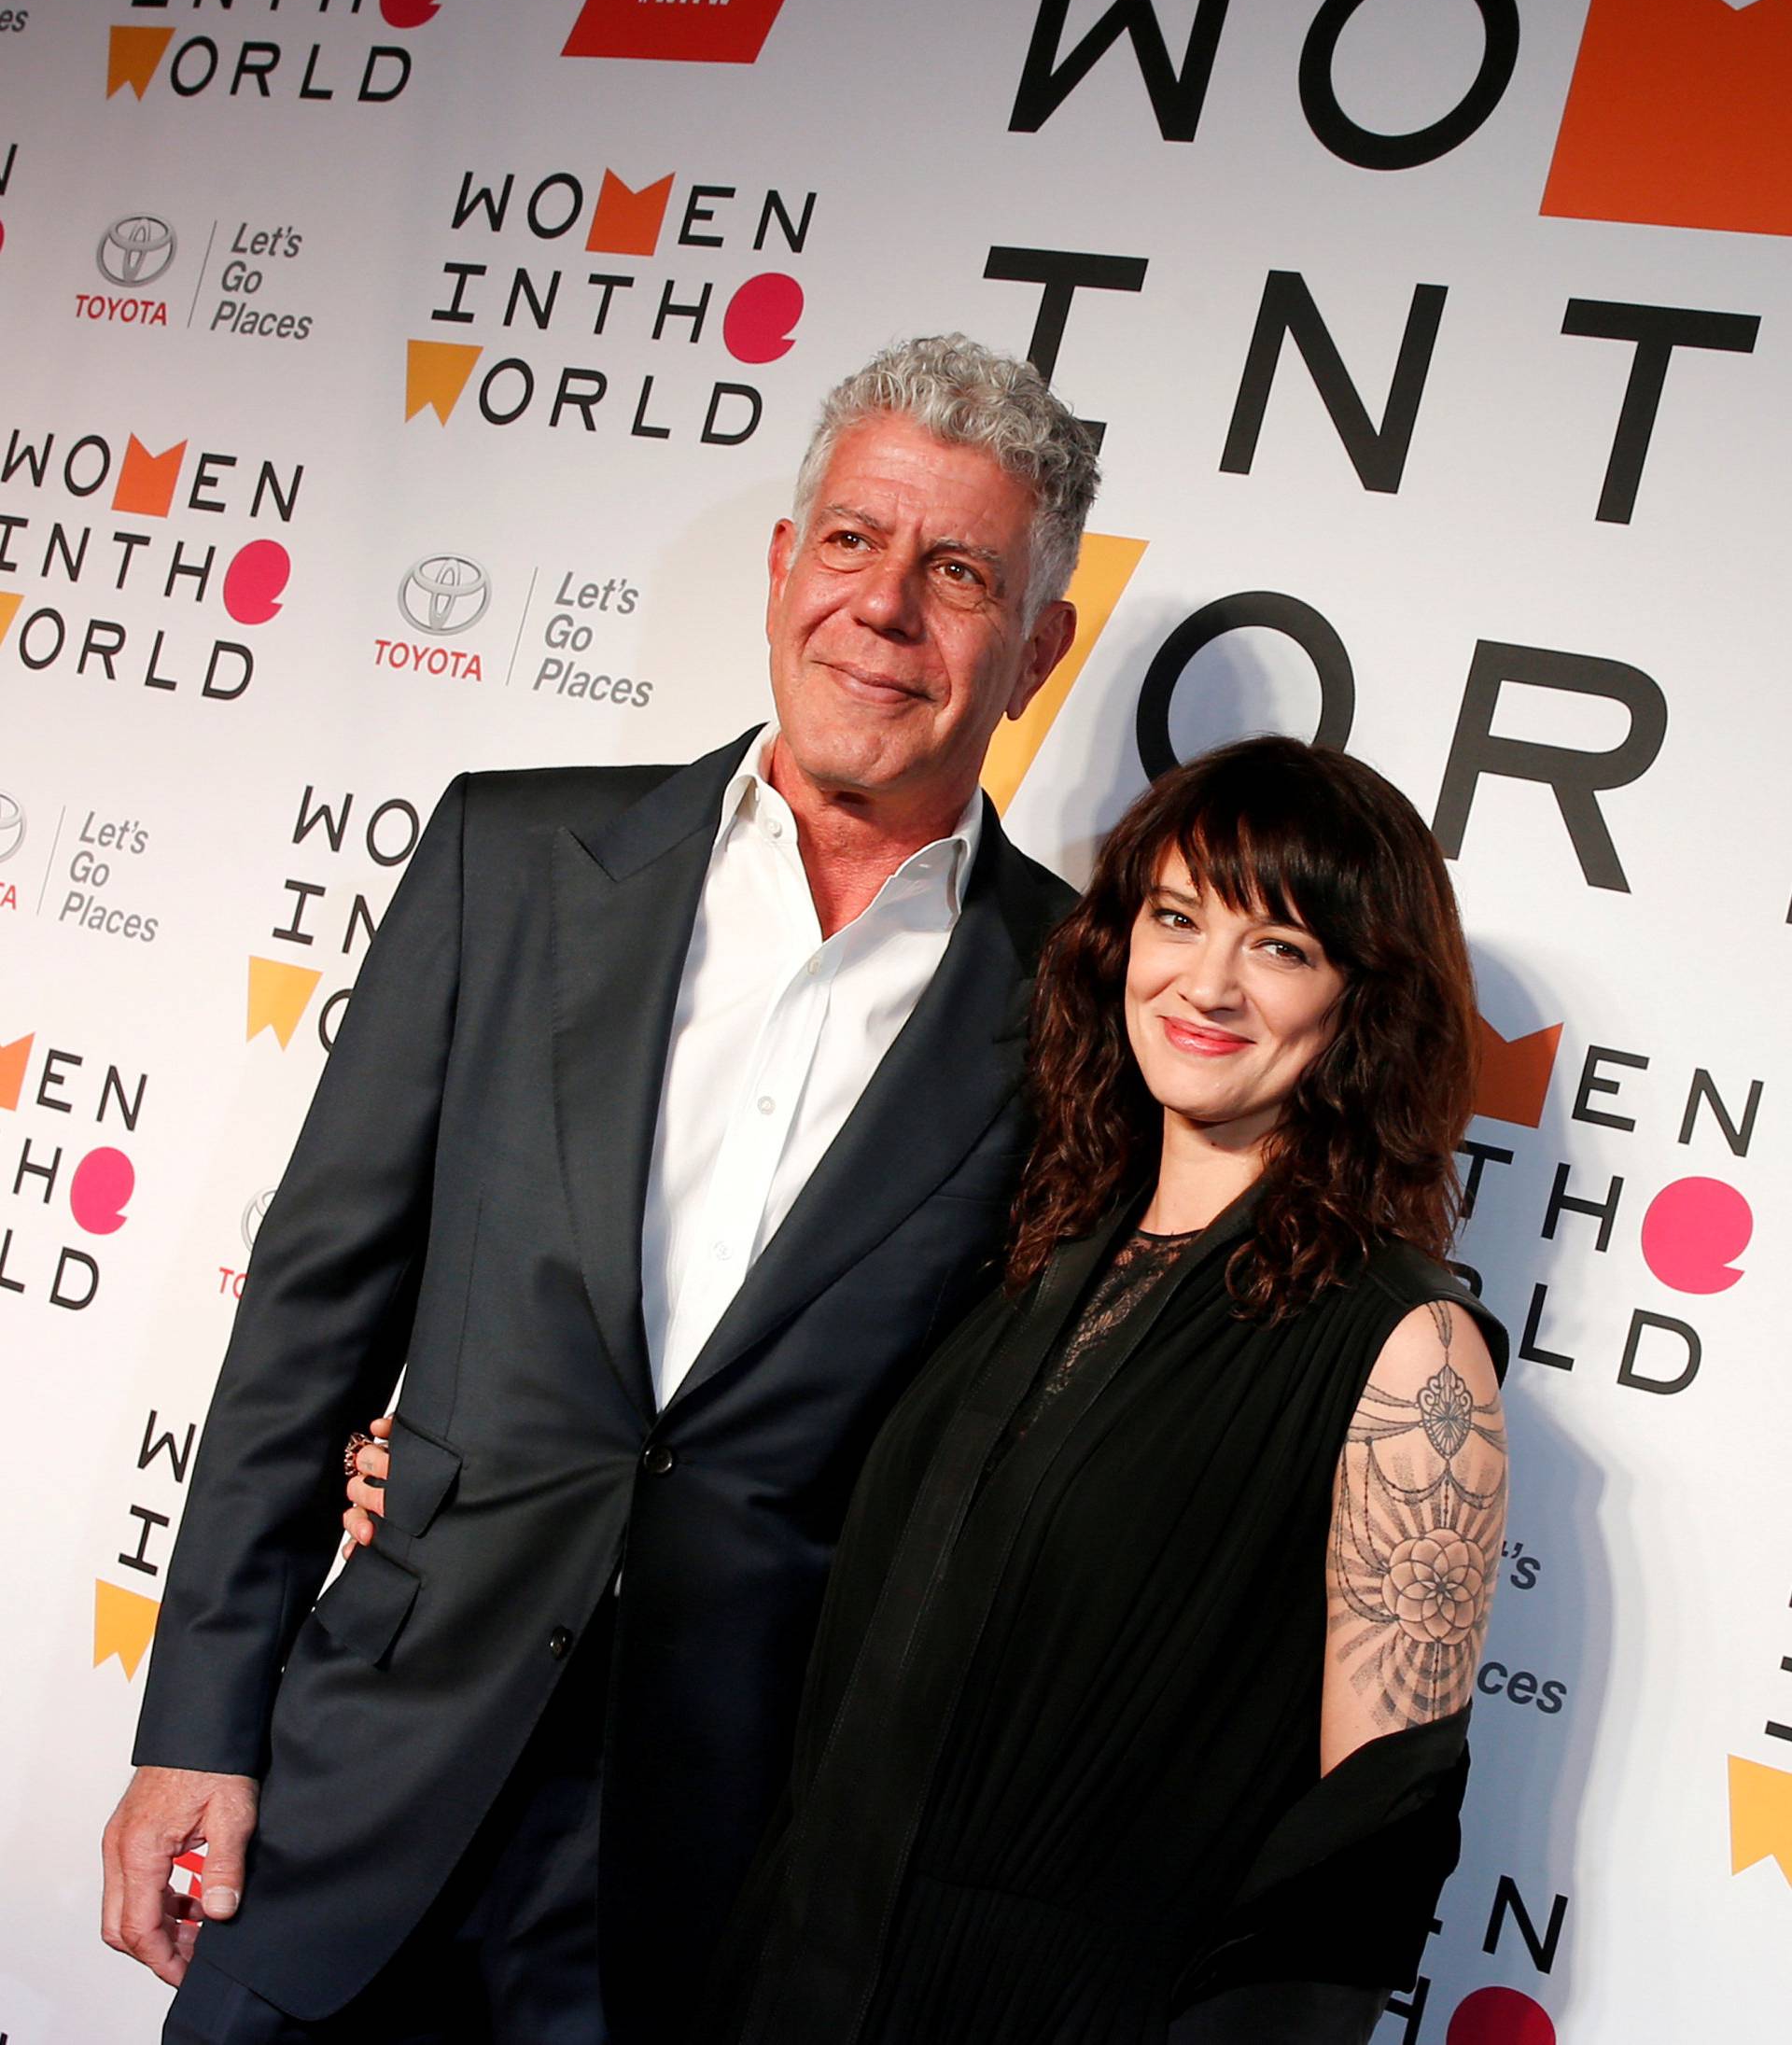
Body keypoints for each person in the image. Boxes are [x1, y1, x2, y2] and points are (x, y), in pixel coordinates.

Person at [100, 335, 1099, 2044]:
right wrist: (196, 1719)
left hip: (710, 1879)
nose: (885, 608)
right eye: (851, 541)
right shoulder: (510, 857)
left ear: (1036, 652)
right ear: (782, 569)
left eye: (959, 573)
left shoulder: (1078, 1003)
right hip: (359, 1780)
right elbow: (311, 1317)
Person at [347, 736, 1510, 2043]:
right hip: (790, 1976)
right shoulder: (1033, 1258)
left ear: (1365, 999)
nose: (1209, 982)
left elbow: (1370, 1842)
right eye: (1178, 918)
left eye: (1283, 946)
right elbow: (780, 1508)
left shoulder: (1405, 1348)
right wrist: (483, 1477)